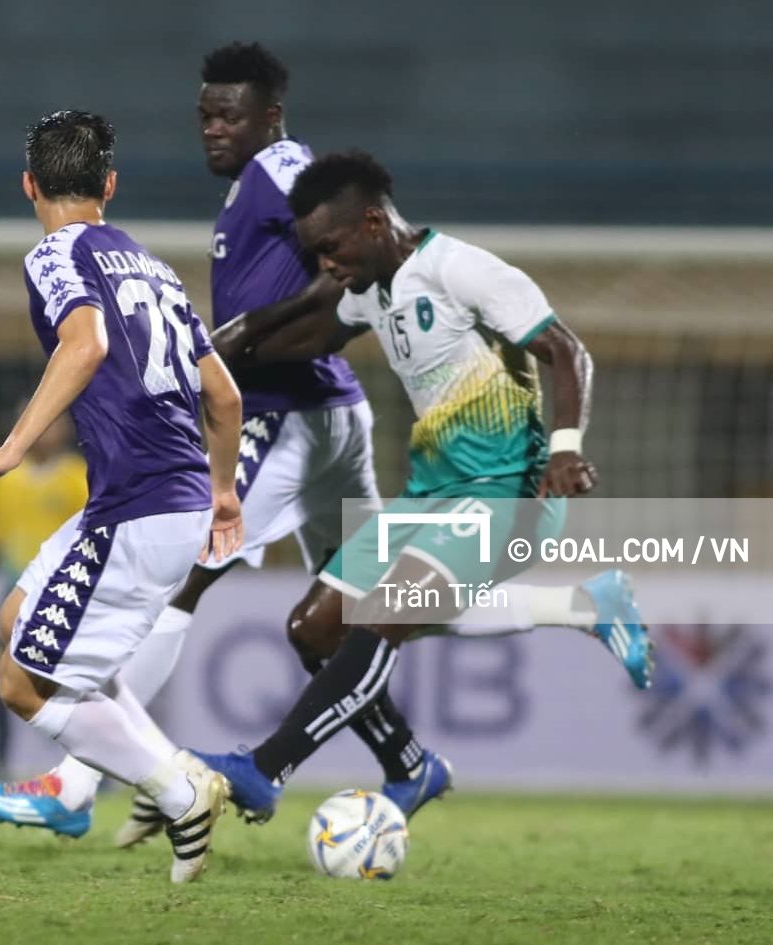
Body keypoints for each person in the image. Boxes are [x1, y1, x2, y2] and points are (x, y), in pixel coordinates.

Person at [193, 150, 653, 821]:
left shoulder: (458, 269)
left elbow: (565, 349)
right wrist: (222, 349)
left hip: (507, 495)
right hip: (429, 494)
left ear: (374, 223)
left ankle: (264, 768)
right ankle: (411, 767)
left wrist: (565, 449)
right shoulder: (369, 289)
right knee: (311, 629)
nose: (325, 262)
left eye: (330, 246)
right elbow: (310, 326)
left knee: (382, 616)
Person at [0, 109, 244, 883]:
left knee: (18, 683)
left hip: (138, 509)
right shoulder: (154, 267)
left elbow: (86, 342)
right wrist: (223, 492)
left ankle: (175, 787)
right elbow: (226, 398)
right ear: (108, 185)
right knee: (17, 618)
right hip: (152, 501)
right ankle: (157, 775)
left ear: (28, 185)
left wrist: (11, 447)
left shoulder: (54, 254)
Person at [0, 410, 86, 780]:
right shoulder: (8, 480)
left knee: (74, 679)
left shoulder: (77, 477)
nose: (47, 432)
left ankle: (86, 768)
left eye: (54, 423)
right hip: (15, 592)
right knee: (2, 679)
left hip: (63, 593)